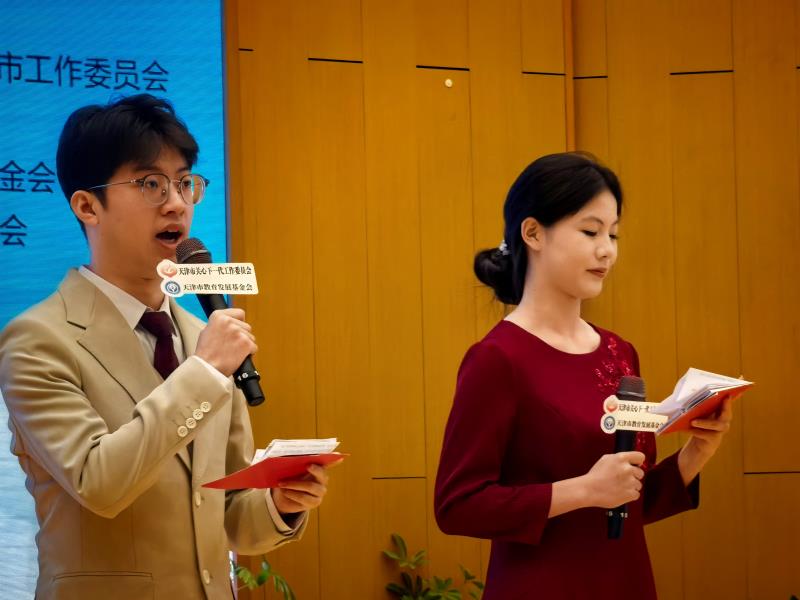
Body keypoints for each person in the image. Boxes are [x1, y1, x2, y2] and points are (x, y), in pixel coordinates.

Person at [0, 94, 332, 600]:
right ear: (87, 206)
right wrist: (204, 371)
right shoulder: (37, 339)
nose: (177, 202)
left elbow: (230, 514)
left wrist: (280, 503)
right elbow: (98, 482)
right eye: (150, 183)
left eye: (184, 182)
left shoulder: (202, 337)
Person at [433, 153, 733, 599]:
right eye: (590, 232)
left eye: (613, 234)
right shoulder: (497, 359)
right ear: (533, 233)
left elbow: (632, 500)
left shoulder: (620, 352)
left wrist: (697, 451)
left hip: (625, 583)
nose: (607, 249)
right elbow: (458, 505)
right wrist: (584, 490)